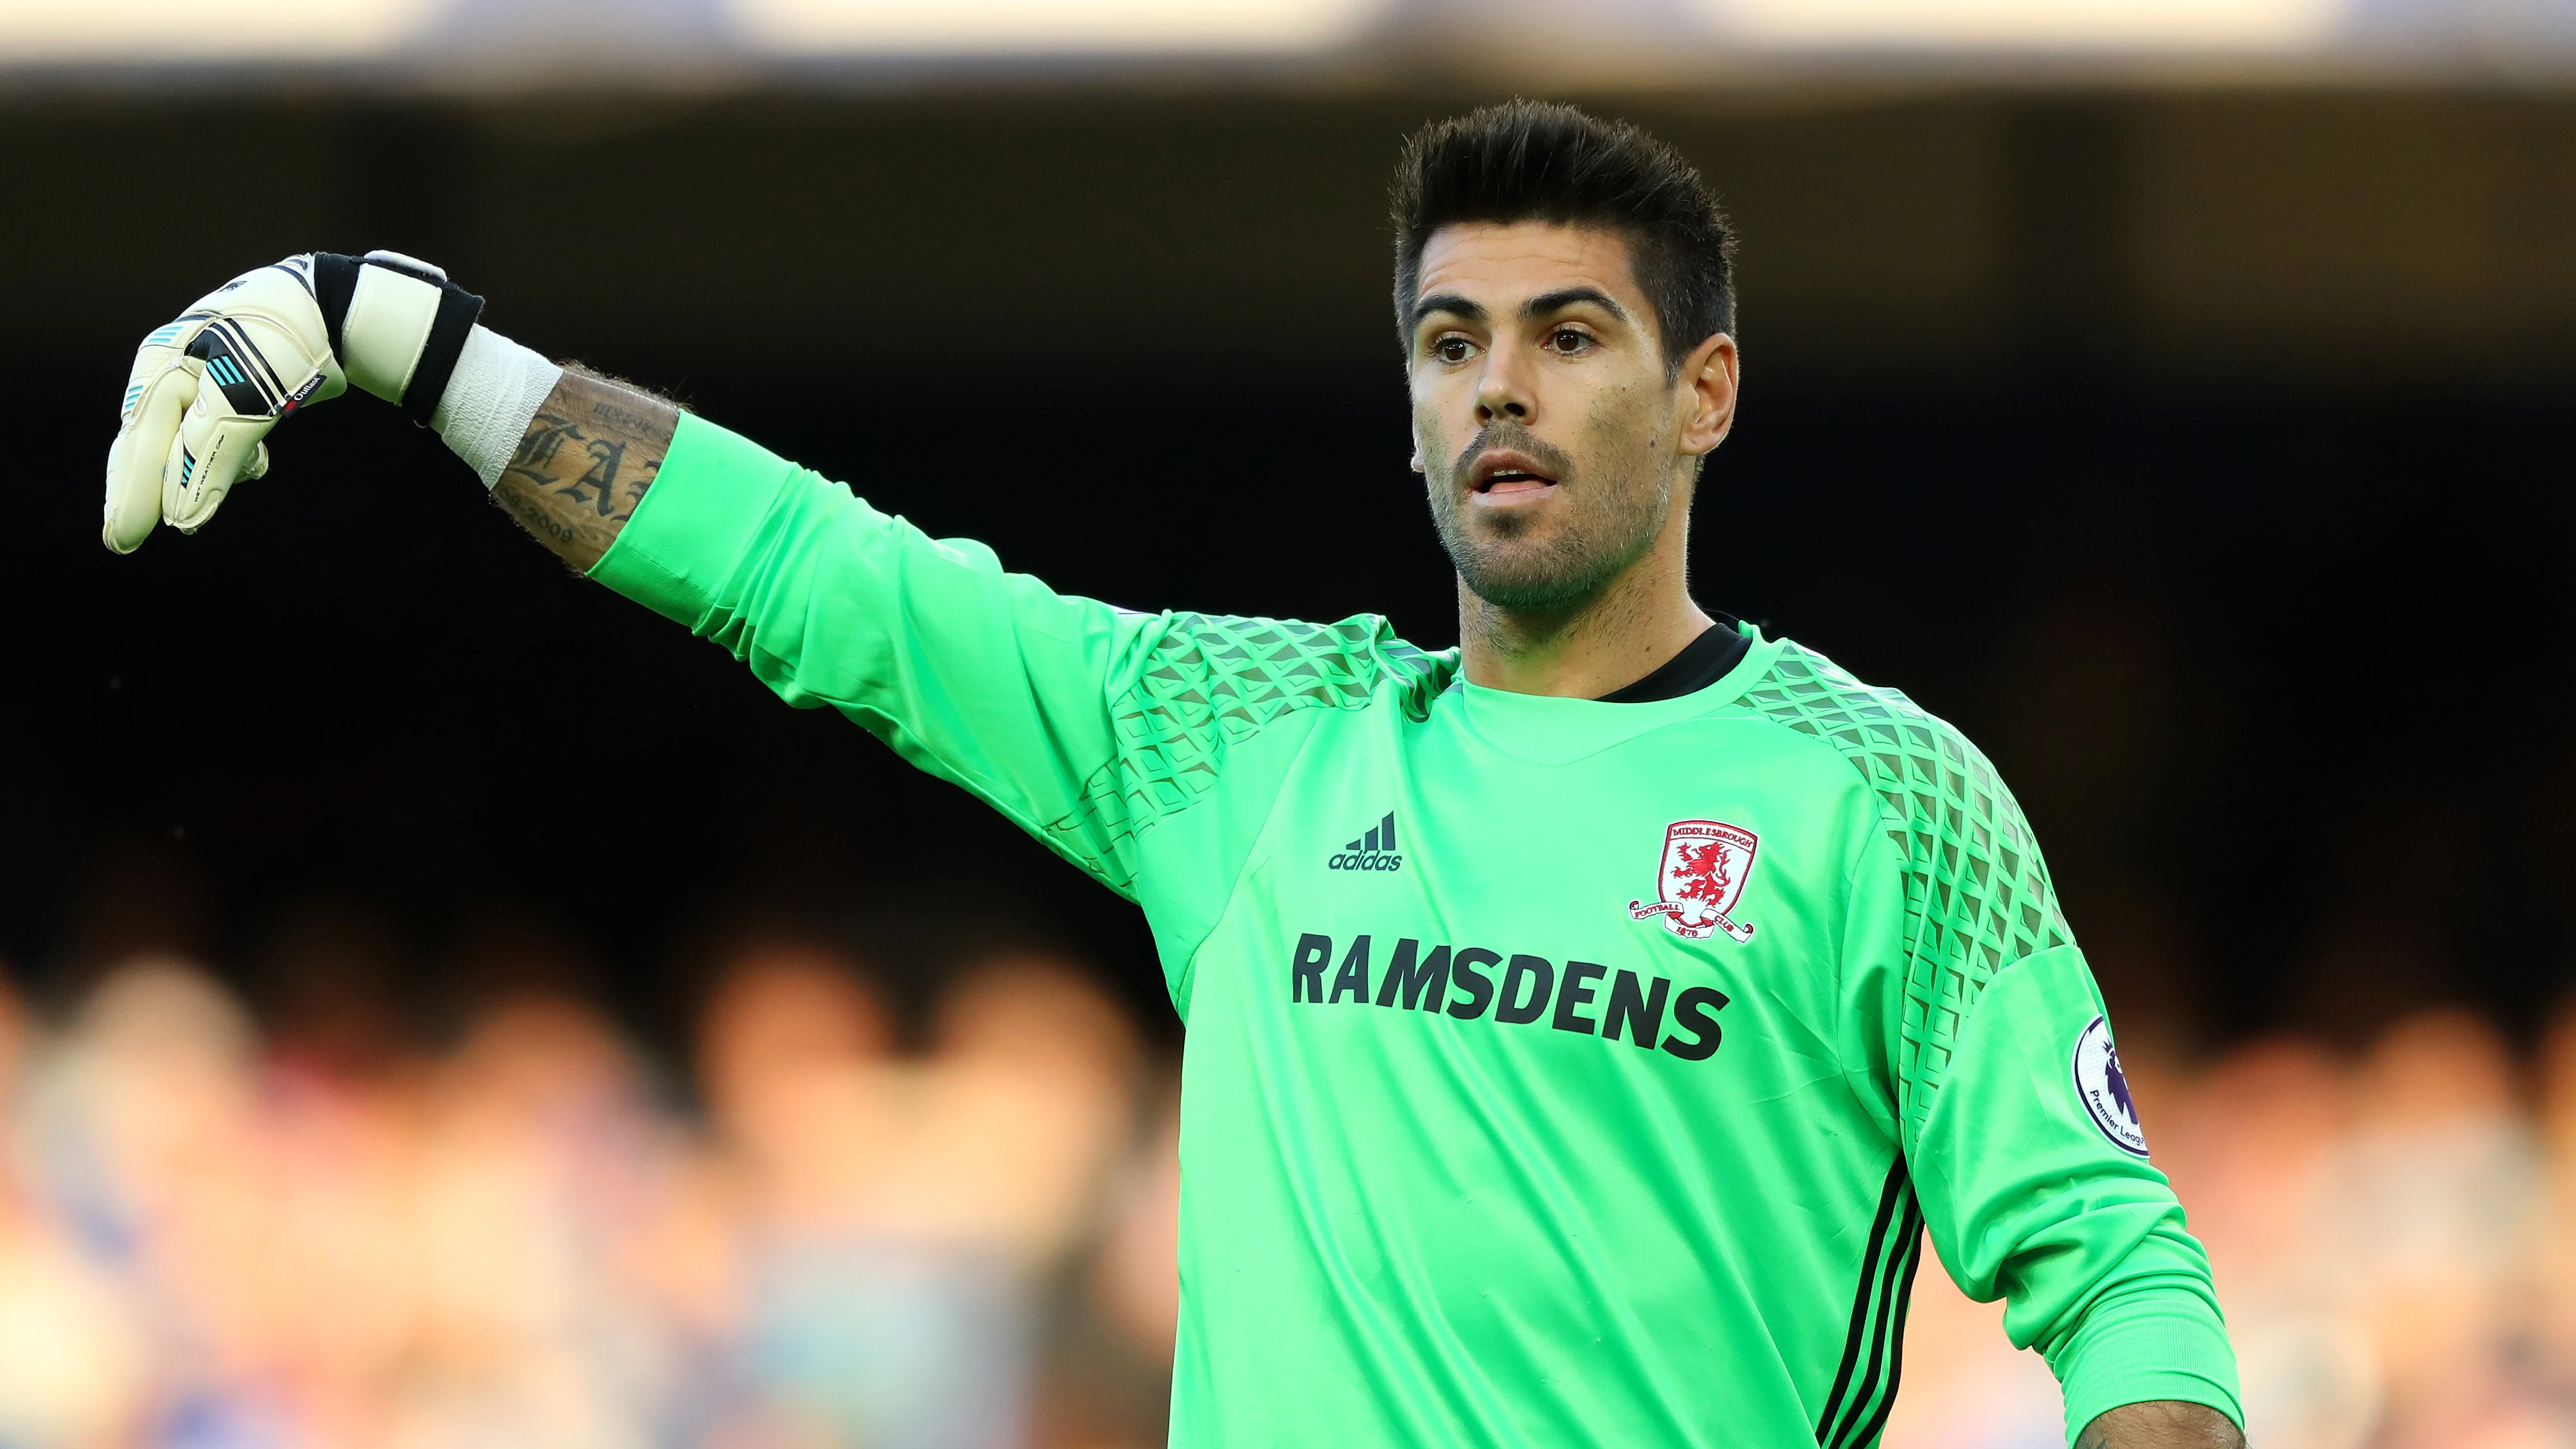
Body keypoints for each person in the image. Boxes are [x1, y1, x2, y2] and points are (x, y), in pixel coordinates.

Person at [99, 100, 2243, 1448]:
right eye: (1445, 340)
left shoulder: (1881, 798)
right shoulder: (1245, 737)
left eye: (1567, 335)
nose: (1495, 388)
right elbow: (815, 576)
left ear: (1704, 393)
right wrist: (387, 322)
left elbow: (2111, 1259)